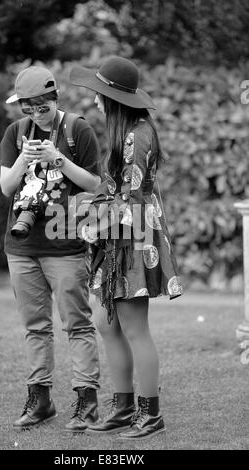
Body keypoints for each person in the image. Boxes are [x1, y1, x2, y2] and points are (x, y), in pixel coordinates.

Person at [70, 56, 183, 439]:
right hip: (119, 236)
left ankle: (150, 416)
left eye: (100, 95)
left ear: (113, 100)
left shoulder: (138, 137)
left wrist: (89, 221)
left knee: (135, 327)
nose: (96, 101)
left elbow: (131, 202)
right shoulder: (127, 133)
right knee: (106, 321)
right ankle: (123, 408)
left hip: (132, 238)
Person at [0, 65, 101, 431]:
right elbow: (7, 187)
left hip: (66, 244)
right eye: (28, 108)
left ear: (55, 98)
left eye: (42, 107)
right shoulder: (16, 132)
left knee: (77, 324)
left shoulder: (77, 129)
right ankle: (40, 400)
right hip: (21, 246)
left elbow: (94, 184)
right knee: (35, 326)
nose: (36, 115)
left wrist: (57, 158)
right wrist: (25, 156)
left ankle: (87, 400)